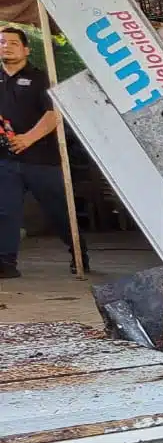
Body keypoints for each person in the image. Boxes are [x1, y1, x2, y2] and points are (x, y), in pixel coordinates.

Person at [0, 25, 83, 277]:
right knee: (5, 211)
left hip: (41, 158)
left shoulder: (41, 78)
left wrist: (28, 139)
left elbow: (53, 114)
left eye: (13, 43)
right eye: (2, 42)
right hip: (5, 159)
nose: (6, 46)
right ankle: (6, 264)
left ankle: (78, 254)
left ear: (26, 49)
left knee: (58, 209)